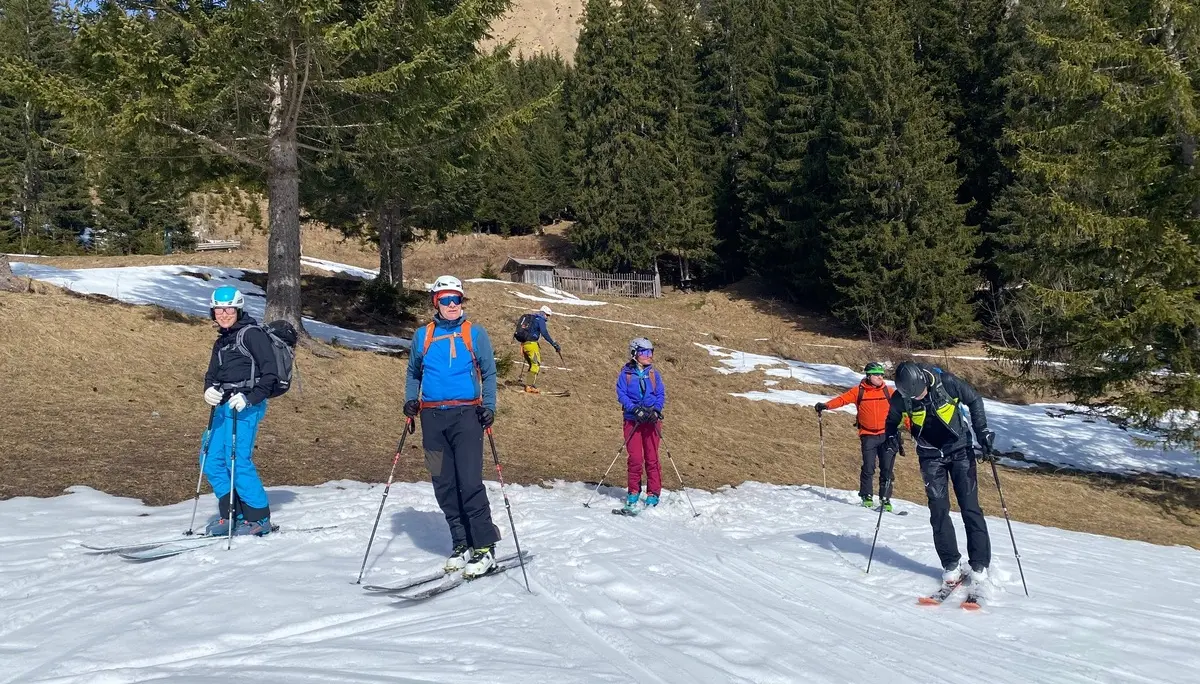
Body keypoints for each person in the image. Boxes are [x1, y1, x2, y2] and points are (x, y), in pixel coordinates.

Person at [403, 275, 502, 578]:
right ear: (436, 302)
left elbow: (489, 372)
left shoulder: (475, 333)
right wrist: (410, 402)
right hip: (432, 419)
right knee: (442, 482)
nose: (451, 305)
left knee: (470, 481)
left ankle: (484, 547)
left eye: (456, 299)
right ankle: (461, 542)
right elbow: (413, 373)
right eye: (445, 299)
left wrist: (489, 407)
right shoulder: (423, 336)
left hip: (466, 418)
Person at [883, 361, 997, 589]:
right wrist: (891, 437)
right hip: (930, 456)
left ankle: (979, 563)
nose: (918, 398)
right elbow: (891, 421)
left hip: (960, 451)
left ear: (924, 381)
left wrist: (982, 430)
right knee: (938, 509)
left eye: (921, 393)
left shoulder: (947, 382)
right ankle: (950, 563)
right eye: (913, 397)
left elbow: (974, 399)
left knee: (970, 507)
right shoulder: (901, 397)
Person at [202, 285, 278, 536]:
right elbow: (212, 375)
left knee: (236, 459)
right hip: (224, 406)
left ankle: (259, 517)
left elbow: (271, 375)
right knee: (210, 459)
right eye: (219, 310)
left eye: (229, 309)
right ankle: (233, 513)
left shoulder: (252, 334)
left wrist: (250, 398)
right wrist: (209, 390)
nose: (223, 314)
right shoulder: (222, 340)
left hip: (246, 407)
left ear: (238, 309)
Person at [815, 362, 898, 511]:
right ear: (868, 376)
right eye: (877, 374)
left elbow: (901, 409)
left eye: (881, 374)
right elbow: (842, 400)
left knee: (886, 468)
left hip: (886, 435)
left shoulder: (889, 392)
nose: (880, 377)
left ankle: (885, 499)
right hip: (868, 435)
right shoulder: (858, 391)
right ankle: (866, 496)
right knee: (868, 467)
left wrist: (911, 428)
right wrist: (826, 405)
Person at [615, 337, 666, 512]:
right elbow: (621, 394)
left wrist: (656, 410)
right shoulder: (626, 374)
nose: (648, 356)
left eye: (651, 352)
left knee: (652, 458)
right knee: (635, 458)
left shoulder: (654, 374)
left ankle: (653, 493)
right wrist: (634, 409)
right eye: (644, 352)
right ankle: (633, 491)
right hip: (632, 420)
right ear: (634, 353)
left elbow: (660, 394)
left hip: (651, 421)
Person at [514, 305, 561, 394]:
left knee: (532, 364)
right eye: (547, 315)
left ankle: (530, 384)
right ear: (543, 313)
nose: (547, 317)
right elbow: (544, 333)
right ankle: (529, 386)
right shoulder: (541, 320)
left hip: (524, 345)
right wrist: (553, 344)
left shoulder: (533, 318)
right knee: (536, 364)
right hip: (532, 345)